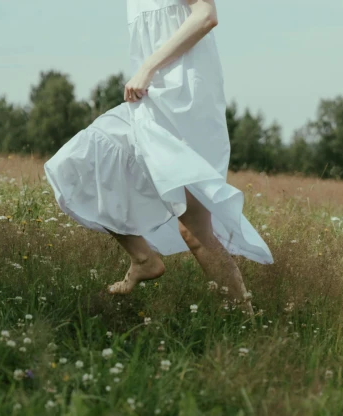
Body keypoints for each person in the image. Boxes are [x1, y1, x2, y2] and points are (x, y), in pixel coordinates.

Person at [44, 0, 274, 314]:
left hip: (183, 108)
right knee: (77, 163)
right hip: (150, 102)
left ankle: (243, 319)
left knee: (193, 229)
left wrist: (147, 68)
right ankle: (143, 258)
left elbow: (206, 15)